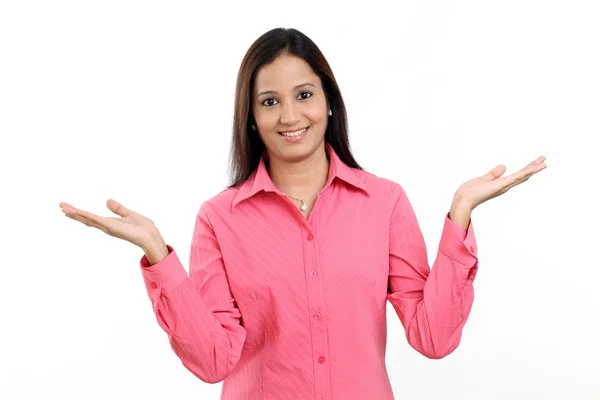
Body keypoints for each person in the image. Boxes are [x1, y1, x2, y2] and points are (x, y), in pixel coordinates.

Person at [59, 27, 547, 400]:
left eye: (304, 95)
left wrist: (459, 215)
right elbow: (212, 361)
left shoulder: (385, 203)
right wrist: (157, 255)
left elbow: (434, 336)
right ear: (251, 117)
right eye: (270, 102)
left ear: (329, 100)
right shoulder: (218, 218)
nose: (290, 116)